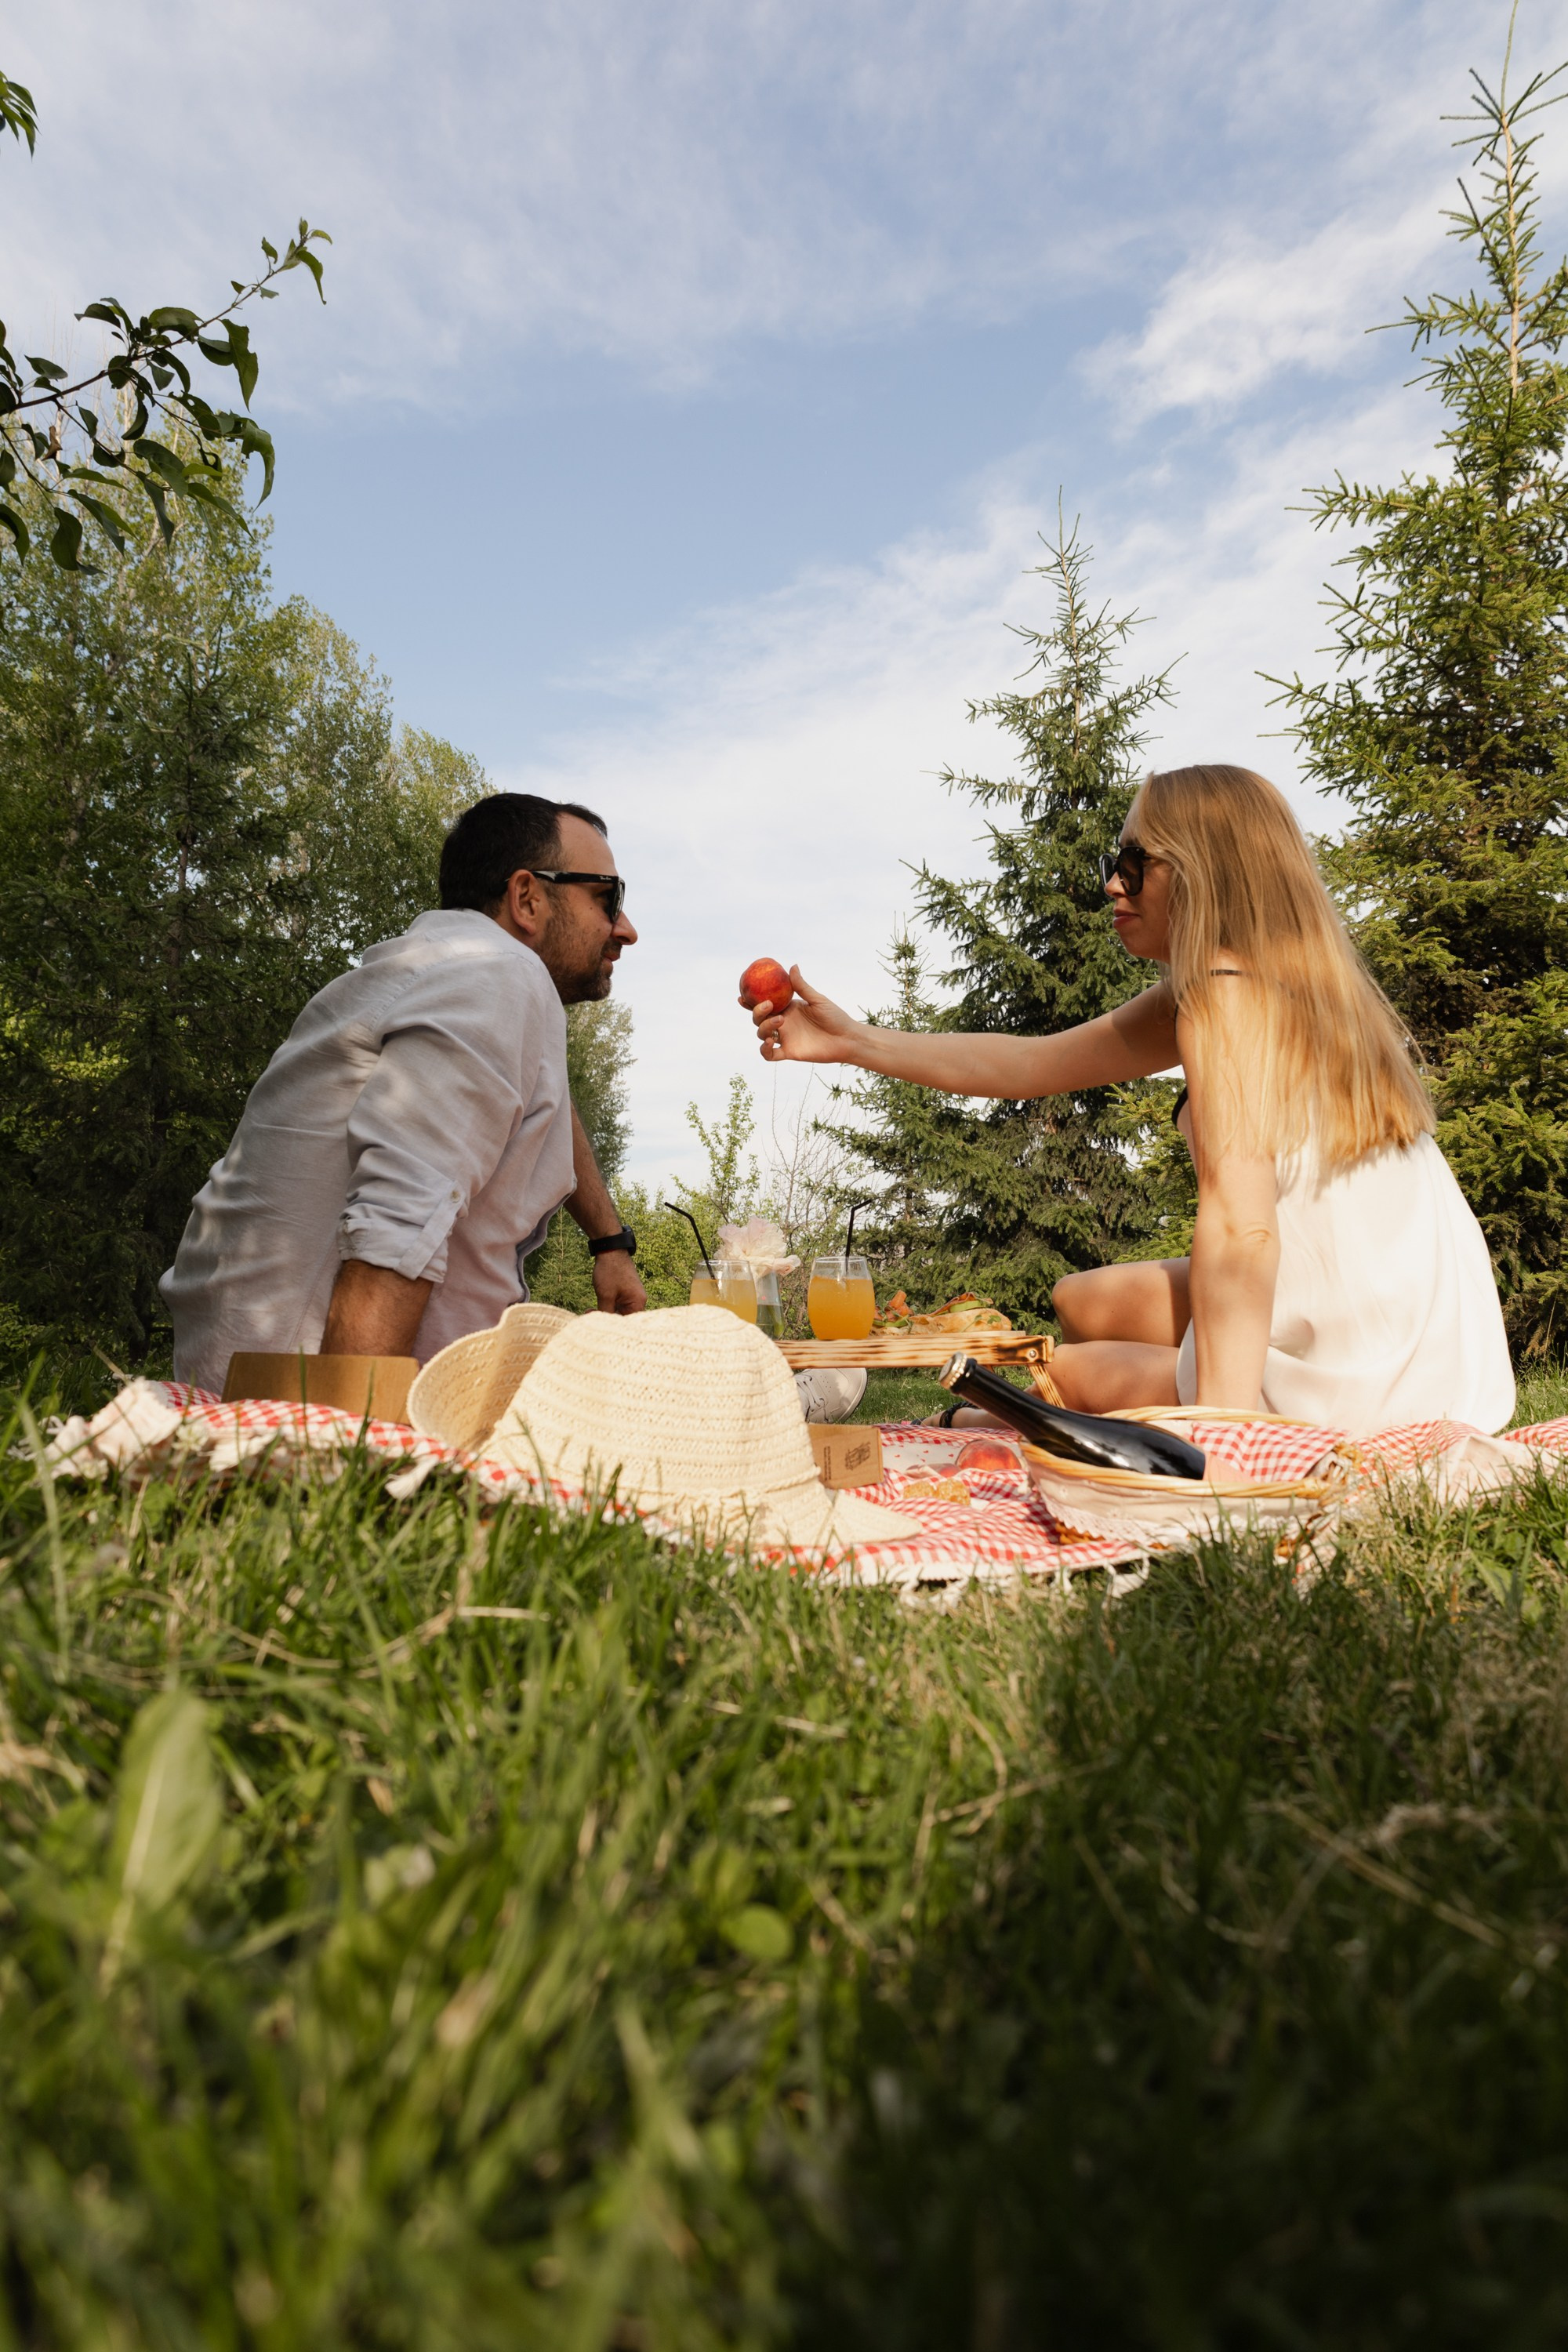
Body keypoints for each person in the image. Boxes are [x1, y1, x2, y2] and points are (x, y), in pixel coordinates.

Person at [747, 763, 1515, 1439]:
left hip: (1368, 1369)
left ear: (1204, 871)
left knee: (1072, 1376)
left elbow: (1242, 1230)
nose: (1112, 884)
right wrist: (849, 1040)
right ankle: (1038, 1415)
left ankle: (998, 1420)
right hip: (1425, 1334)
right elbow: (1029, 1064)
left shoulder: (1224, 996)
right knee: (1081, 1300)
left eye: (1132, 861)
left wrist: (1224, 1435)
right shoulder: (1263, 984)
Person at [162, 793, 646, 1397]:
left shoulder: (451, 966)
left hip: (249, 1368)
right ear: (527, 897)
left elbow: (548, 1096)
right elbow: (399, 1224)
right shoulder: (498, 974)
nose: (625, 928)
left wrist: (608, 1242)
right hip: (304, 1396)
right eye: (608, 897)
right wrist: (349, 1456)